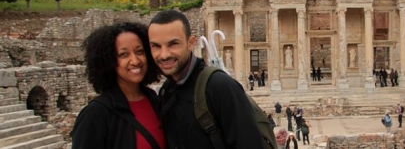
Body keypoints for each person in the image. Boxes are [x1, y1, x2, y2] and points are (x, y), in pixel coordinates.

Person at [148, 10, 263, 148]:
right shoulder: (167, 90)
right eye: (156, 46)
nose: (164, 54)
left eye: (173, 44)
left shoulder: (219, 86)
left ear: (191, 43)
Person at [72, 22, 165, 149]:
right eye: (123, 54)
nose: (135, 60)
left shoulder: (154, 100)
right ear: (108, 61)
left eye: (139, 52)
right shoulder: (96, 114)